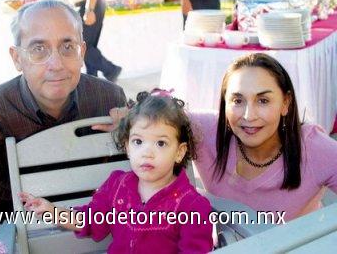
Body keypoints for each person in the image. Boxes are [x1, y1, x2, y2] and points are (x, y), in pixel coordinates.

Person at [0, 0, 126, 253]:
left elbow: (148, 178)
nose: (56, 63)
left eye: (67, 46)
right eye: (39, 49)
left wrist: (136, 133)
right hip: (12, 233)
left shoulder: (108, 100)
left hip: (95, 232)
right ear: (17, 58)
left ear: (82, 52)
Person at [20, 90, 213, 253]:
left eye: (161, 143)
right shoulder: (117, 185)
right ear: (127, 147)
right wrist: (51, 210)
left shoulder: (192, 206)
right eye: (138, 142)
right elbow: (89, 220)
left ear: (179, 152)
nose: (147, 153)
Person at [190, 53, 337, 221]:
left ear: (285, 103)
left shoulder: (313, 148)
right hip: (226, 246)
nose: (249, 116)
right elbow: (158, 111)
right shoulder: (204, 130)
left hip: (297, 246)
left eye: (263, 101)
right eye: (238, 101)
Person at [60, 0, 122, 82]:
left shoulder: (90, 8)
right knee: (88, 47)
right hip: (87, 6)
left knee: (83, 46)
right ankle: (93, 79)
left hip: (90, 5)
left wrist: (90, 10)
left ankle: (111, 70)